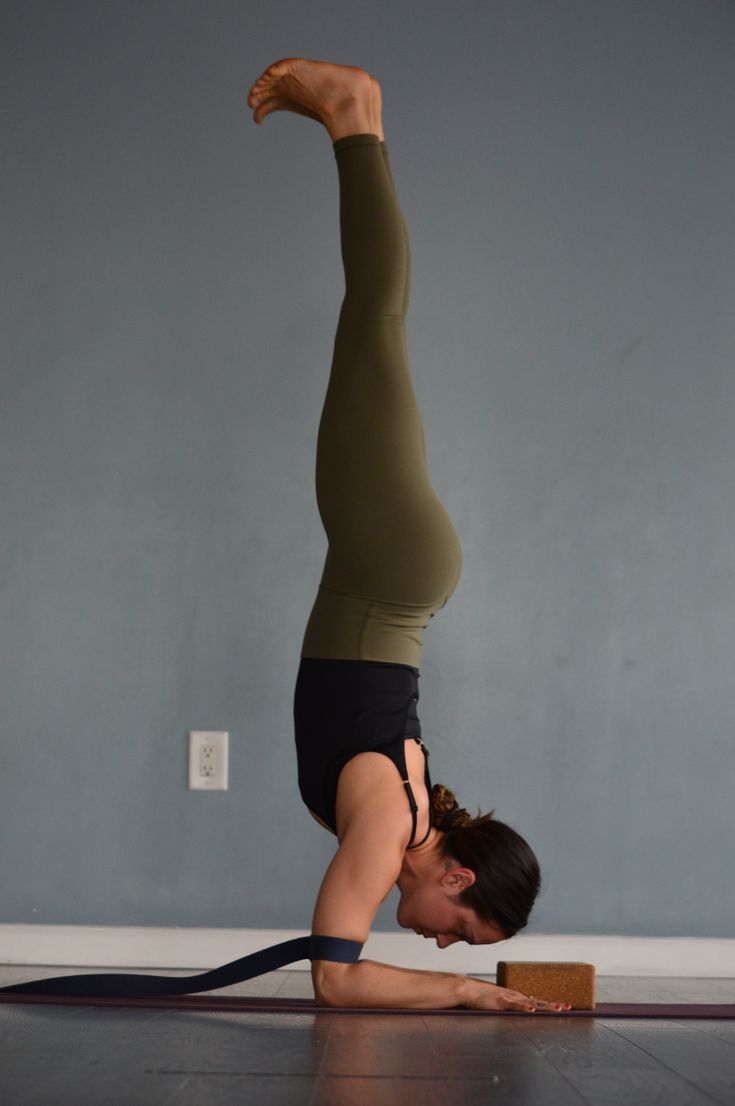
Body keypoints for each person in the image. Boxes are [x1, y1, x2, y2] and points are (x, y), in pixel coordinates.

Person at [248, 58, 571, 1013]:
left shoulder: (414, 811)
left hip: (391, 572)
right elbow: (335, 982)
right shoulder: (394, 821)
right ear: (457, 879)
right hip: (385, 569)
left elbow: (338, 974)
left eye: (453, 950)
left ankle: (353, 126)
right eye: (459, 931)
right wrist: (471, 999)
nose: (440, 941)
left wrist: (473, 990)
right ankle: (355, 118)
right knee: (375, 321)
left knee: (372, 325)